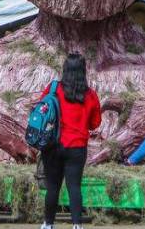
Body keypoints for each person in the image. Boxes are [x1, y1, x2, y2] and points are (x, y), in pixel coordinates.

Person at [40, 53, 101, 229]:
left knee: (52, 187)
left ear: (65, 69)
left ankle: (48, 224)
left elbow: (42, 110)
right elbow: (95, 123)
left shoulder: (53, 89)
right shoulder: (90, 95)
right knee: (74, 187)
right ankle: (76, 225)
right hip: (77, 147)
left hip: (52, 145)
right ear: (83, 71)